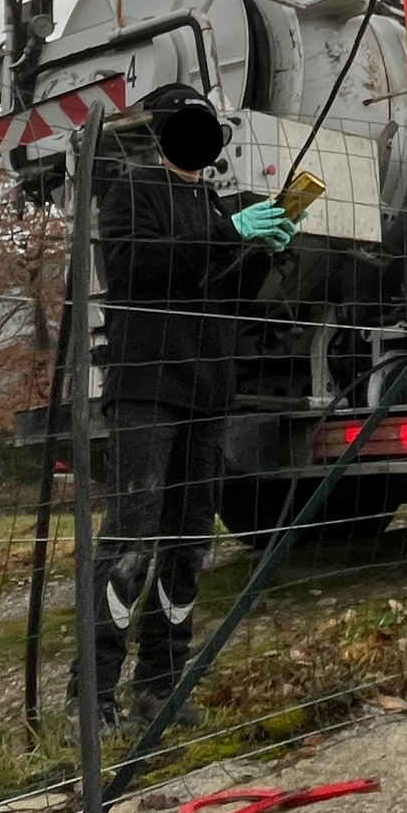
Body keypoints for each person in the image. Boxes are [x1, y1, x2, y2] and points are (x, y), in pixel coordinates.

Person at [69, 82, 294, 734]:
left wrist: (260, 250)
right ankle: (90, 698)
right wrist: (228, 233)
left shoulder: (214, 203)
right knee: (130, 545)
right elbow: (136, 267)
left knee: (188, 545)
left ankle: (158, 689)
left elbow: (229, 295)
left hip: (206, 391)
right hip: (146, 387)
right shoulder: (131, 193)